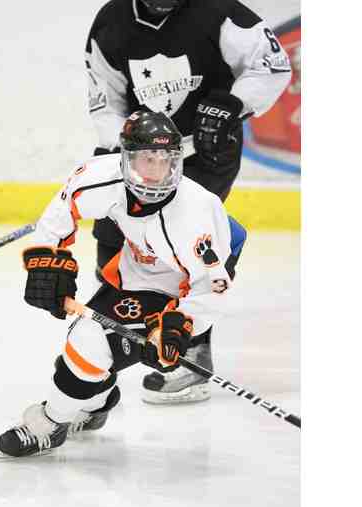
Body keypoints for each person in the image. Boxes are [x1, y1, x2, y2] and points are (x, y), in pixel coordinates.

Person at [85, 0, 292, 403]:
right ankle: (99, 364)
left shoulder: (215, 10)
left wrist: (233, 103)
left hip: (207, 152)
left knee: (188, 250)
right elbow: (106, 98)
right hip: (142, 156)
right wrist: (114, 145)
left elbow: (271, 63)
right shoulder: (111, 22)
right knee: (111, 249)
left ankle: (191, 356)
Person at [0, 111, 236, 457]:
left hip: (178, 291)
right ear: (125, 159)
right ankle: (96, 403)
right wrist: (48, 262)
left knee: (88, 340)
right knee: (83, 347)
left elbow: (212, 286)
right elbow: (63, 207)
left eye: (165, 160)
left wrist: (179, 326)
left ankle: (50, 423)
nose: (156, 172)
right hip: (133, 275)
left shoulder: (197, 212)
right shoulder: (102, 176)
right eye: (146, 159)